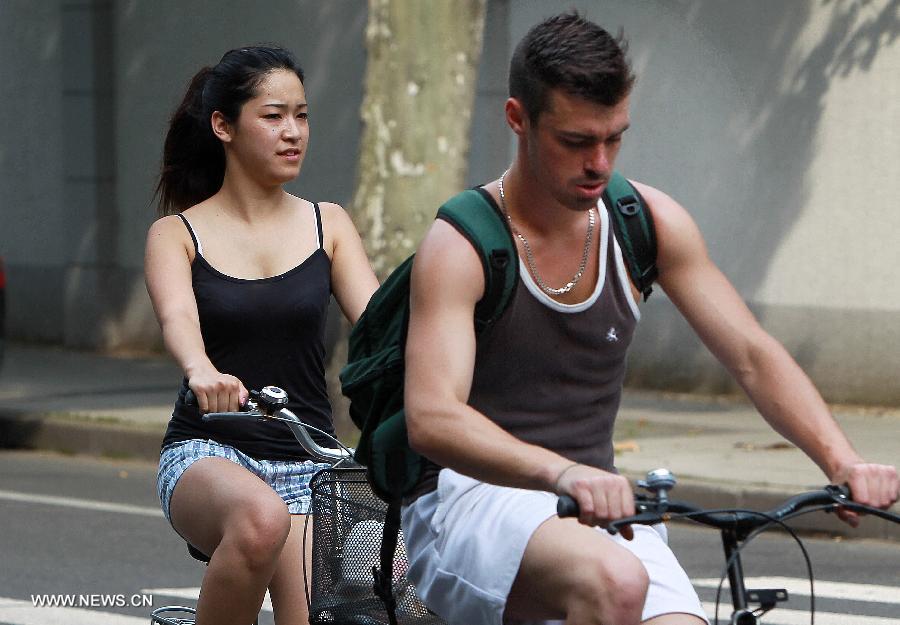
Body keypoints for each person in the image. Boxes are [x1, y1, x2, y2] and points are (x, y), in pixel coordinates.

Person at [401, 13, 899, 625]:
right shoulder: (465, 243)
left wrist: (842, 461)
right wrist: (561, 472)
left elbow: (750, 352)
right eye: (577, 141)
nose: (600, 163)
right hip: (470, 499)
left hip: (600, 505)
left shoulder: (646, 223)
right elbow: (432, 417)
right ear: (518, 119)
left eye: (615, 138)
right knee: (613, 581)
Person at [144, 46, 378, 625]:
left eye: (302, 116)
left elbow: (381, 329)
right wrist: (199, 369)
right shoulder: (177, 234)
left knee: (338, 615)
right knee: (259, 519)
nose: (293, 132)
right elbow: (178, 317)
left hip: (312, 465)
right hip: (208, 451)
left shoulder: (329, 223)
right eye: (273, 116)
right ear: (223, 125)